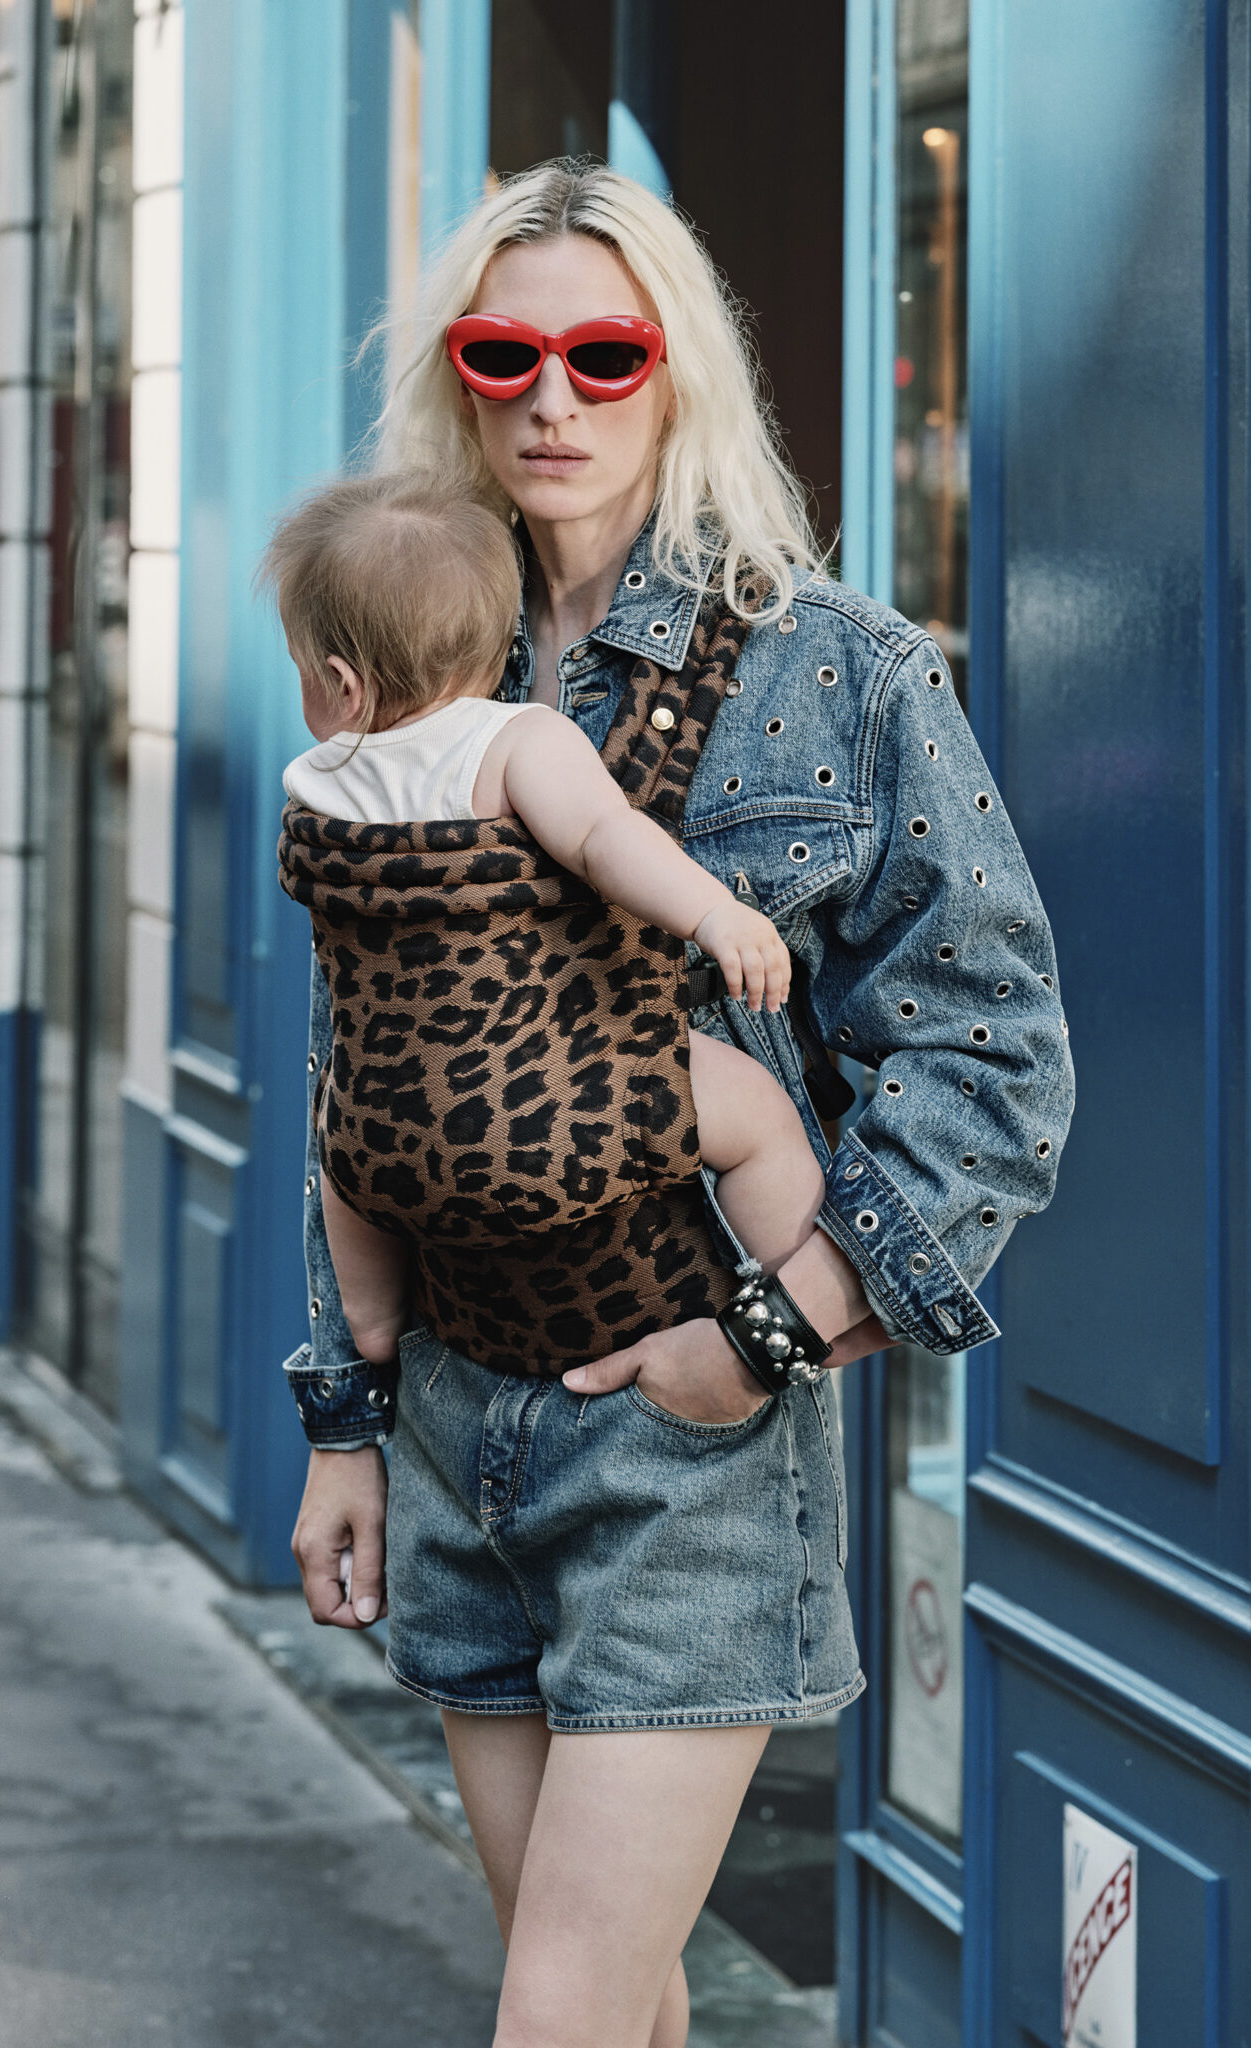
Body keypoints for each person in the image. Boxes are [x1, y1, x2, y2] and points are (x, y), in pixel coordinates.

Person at [283, 162, 1075, 2048]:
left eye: (605, 354)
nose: (553, 398)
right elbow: (366, 1066)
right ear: (460, 380)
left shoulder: (839, 669)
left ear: (675, 374)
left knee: (552, 2016)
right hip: (461, 1429)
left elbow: (996, 1058)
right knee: (621, 2013)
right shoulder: (406, 658)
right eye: (506, 352)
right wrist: (345, 1415)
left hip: (690, 1454)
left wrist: (773, 1330)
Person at [265, 472, 825, 1374]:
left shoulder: (314, 783)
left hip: (392, 1128)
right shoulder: (517, 740)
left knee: (346, 1145)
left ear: (338, 683)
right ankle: (786, 1294)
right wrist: (715, 915)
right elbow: (608, 839)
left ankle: (368, 1332)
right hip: (554, 1106)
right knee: (756, 1114)